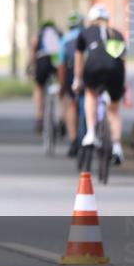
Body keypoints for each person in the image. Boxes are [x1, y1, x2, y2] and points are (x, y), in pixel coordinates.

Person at [74, 3, 127, 164]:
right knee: (115, 110)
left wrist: (77, 79)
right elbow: (123, 61)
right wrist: (123, 83)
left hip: (94, 67)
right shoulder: (117, 34)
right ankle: (117, 146)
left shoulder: (85, 32)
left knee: (90, 93)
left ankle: (91, 133)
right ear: (107, 19)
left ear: (91, 20)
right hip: (116, 71)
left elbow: (79, 59)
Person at [58, 11, 84, 157]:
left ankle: (74, 140)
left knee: (71, 106)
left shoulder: (65, 39)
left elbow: (61, 65)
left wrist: (62, 87)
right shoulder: (88, 34)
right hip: (89, 72)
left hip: (71, 72)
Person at [31, 19, 63, 134]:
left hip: (42, 61)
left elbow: (33, 51)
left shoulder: (38, 34)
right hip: (55, 62)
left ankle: (39, 118)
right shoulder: (58, 33)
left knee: (39, 87)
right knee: (60, 88)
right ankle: (61, 117)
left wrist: (32, 66)